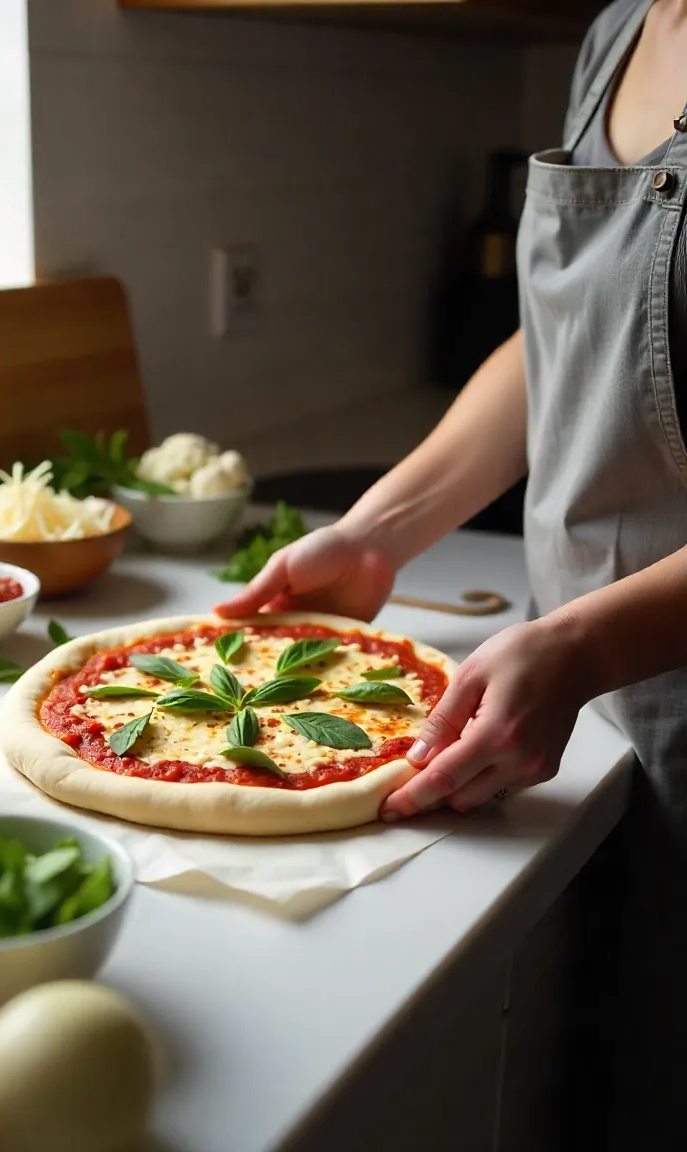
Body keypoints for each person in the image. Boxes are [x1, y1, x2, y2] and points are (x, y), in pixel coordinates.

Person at [216, 2, 687, 1146]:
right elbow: (565, 336)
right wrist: (383, 528)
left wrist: (585, 641)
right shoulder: (620, 29)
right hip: (575, 707)